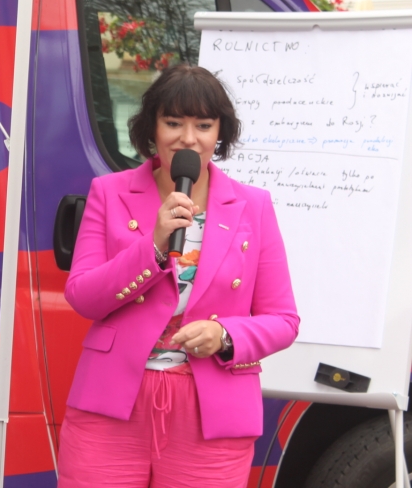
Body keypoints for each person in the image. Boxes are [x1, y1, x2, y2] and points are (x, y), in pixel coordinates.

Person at [56, 65, 299, 487]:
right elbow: (83, 296)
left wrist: (224, 335)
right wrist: (153, 244)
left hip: (212, 412)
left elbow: (283, 320)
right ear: (151, 127)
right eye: (173, 123)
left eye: (203, 125)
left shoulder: (253, 206)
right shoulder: (109, 193)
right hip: (111, 403)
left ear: (220, 132)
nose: (188, 138)